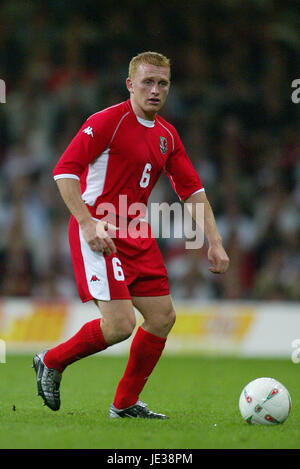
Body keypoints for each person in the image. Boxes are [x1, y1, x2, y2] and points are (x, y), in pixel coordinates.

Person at [33, 51, 229, 419]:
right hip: (100, 229)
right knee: (120, 325)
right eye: (147, 82)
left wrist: (214, 242)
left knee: (162, 317)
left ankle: (124, 404)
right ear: (130, 85)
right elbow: (64, 172)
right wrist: (87, 223)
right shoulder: (107, 122)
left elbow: (192, 191)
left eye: (163, 83)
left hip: (137, 231)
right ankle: (52, 360)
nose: (155, 90)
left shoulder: (168, 136)